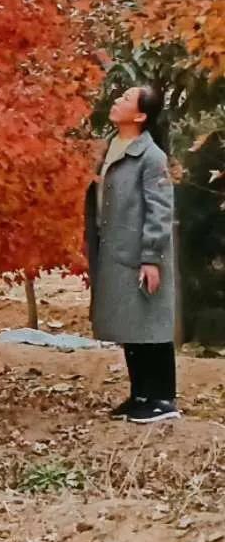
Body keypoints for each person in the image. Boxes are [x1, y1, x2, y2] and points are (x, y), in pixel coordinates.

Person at [85, 82, 178, 422]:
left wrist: (151, 258)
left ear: (140, 116)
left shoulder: (152, 157)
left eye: (126, 99)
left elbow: (160, 209)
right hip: (115, 250)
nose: (117, 100)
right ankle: (140, 394)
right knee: (130, 324)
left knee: (152, 324)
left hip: (142, 253)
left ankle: (163, 399)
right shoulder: (112, 147)